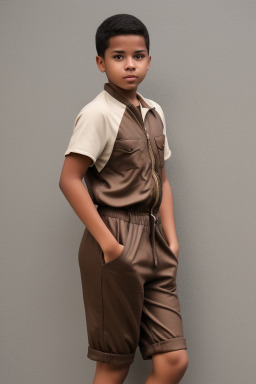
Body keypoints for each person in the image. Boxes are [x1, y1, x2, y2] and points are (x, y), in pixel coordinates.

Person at [59, 13, 189, 384]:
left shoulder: (154, 112)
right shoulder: (97, 114)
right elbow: (69, 180)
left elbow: (160, 177)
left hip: (155, 241)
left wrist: (172, 238)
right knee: (114, 364)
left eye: (139, 55)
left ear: (149, 59)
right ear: (101, 63)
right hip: (115, 237)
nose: (130, 64)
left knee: (173, 362)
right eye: (118, 56)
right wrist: (110, 246)